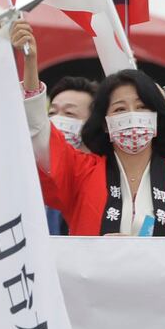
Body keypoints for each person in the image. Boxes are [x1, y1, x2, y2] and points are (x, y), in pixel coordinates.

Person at [13, 19, 165, 236]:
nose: (132, 115)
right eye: (120, 109)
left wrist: (139, 255)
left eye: (141, 107)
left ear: (157, 119)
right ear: (105, 124)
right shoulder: (79, 173)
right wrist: (31, 64)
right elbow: (40, 135)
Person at [43, 76, 98, 235]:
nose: (57, 119)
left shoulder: (101, 177)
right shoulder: (37, 175)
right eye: (52, 112)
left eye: (69, 113)